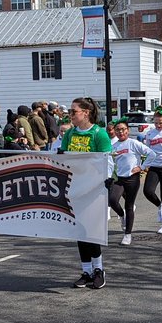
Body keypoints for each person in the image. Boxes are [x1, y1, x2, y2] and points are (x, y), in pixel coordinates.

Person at [59, 97, 113, 289]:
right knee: (80, 231)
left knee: (91, 231)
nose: (70, 115)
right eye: (70, 112)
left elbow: (107, 160)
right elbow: (63, 159)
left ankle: (99, 270)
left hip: (93, 189)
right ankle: (86, 271)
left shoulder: (99, 134)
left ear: (86, 113)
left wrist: (106, 179)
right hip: (74, 188)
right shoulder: (70, 133)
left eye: (74, 111)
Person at [109, 120, 150, 246]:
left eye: (123, 129)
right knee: (112, 200)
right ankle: (122, 216)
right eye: (118, 130)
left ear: (128, 130)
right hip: (118, 178)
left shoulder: (133, 143)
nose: (120, 132)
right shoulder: (113, 146)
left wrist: (141, 167)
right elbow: (109, 162)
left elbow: (151, 154)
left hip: (132, 178)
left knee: (129, 205)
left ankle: (127, 234)